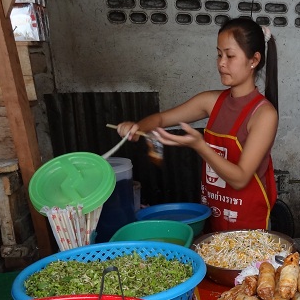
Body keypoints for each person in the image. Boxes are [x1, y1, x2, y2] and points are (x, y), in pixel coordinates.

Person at [117, 17, 279, 232]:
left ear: (254, 60)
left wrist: (200, 146)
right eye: (219, 54)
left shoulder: (264, 114)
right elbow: (161, 119)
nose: (221, 62)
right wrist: (138, 128)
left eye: (230, 56)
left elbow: (240, 179)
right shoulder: (211, 102)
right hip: (214, 215)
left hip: (249, 226)